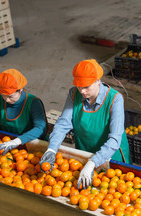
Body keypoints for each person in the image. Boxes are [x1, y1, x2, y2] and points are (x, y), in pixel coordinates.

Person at [39, 59, 131, 189]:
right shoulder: (73, 93)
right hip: (85, 149)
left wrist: (92, 162)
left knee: (112, 189)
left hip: (111, 155)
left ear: (98, 81)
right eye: (79, 86)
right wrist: (52, 149)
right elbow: (63, 123)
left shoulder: (115, 99)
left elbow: (115, 139)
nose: (82, 91)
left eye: (86, 87)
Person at [0, 69, 48, 159]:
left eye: (10, 96)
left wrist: (16, 141)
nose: (6, 100)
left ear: (20, 90)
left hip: (31, 146)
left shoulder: (33, 103)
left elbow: (40, 128)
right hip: (6, 145)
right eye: (3, 95)